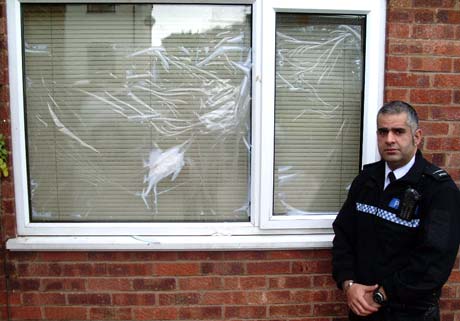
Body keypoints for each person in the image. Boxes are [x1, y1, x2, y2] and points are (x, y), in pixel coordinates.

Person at [332, 100, 460, 321]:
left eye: (398, 131)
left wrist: (382, 294)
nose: (389, 139)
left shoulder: (438, 190)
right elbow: (344, 235)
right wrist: (349, 284)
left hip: (411, 313)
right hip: (362, 309)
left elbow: (434, 262)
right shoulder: (366, 181)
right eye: (383, 132)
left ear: (416, 137)